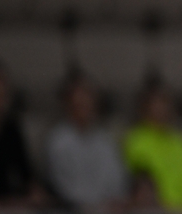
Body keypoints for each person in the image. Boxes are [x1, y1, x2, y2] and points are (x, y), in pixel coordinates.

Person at [45, 68, 129, 209]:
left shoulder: (105, 140)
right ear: (68, 103)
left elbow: (117, 180)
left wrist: (113, 201)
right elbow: (64, 189)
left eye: (88, 97)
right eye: (78, 100)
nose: (84, 104)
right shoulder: (58, 141)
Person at [123, 77, 182, 210]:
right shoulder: (136, 141)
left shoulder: (181, 142)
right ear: (145, 106)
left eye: (165, 102)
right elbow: (142, 189)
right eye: (156, 103)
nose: (162, 108)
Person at [0, 59, 48, 209]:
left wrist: (34, 191)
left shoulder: (11, 129)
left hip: (11, 203)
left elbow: (26, 173)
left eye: (1, 86)